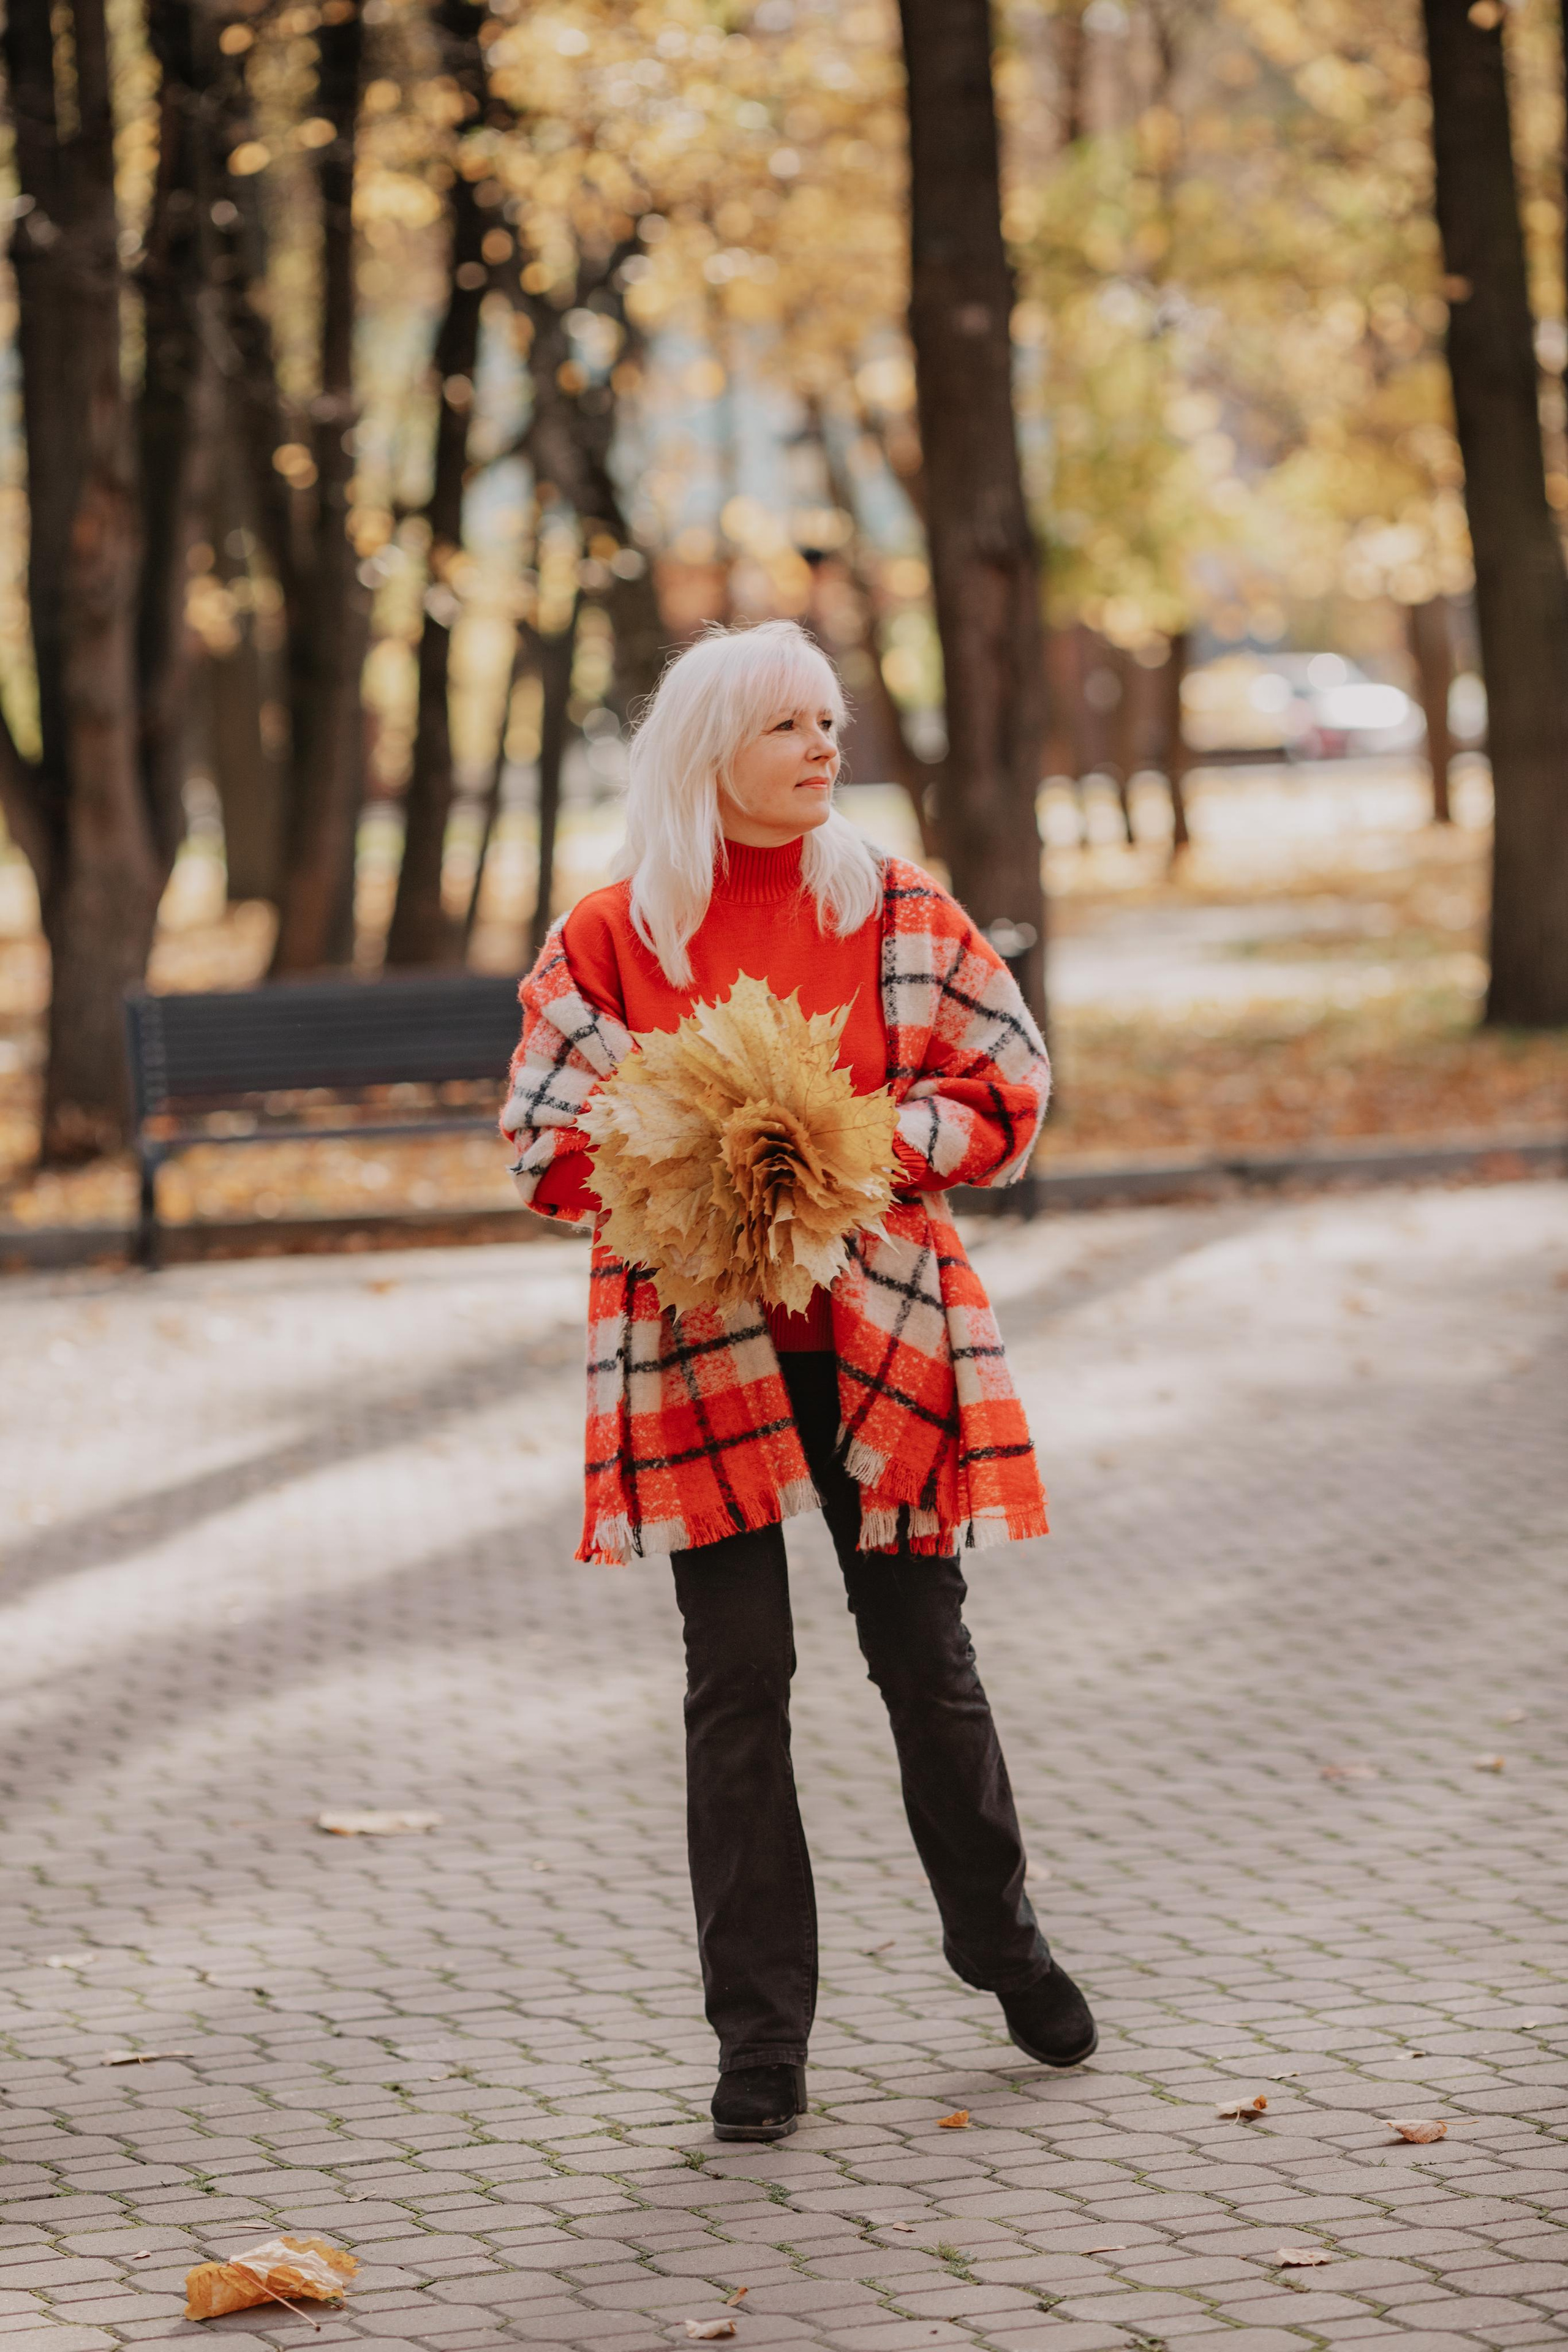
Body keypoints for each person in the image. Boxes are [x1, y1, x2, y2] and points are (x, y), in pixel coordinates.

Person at [502, 619, 1096, 2142]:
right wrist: (669, 1165)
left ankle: (998, 1938)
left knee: (925, 1661)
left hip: (884, 1344)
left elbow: (1010, 1077)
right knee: (736, 1684)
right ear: (711, 750)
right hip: (697, 1359)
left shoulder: (894, 904)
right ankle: (758, 2043)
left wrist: (876, 1150)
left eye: (829, 721)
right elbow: (537, 1138)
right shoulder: (612, 935)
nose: (823, 747)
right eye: (788, 726)